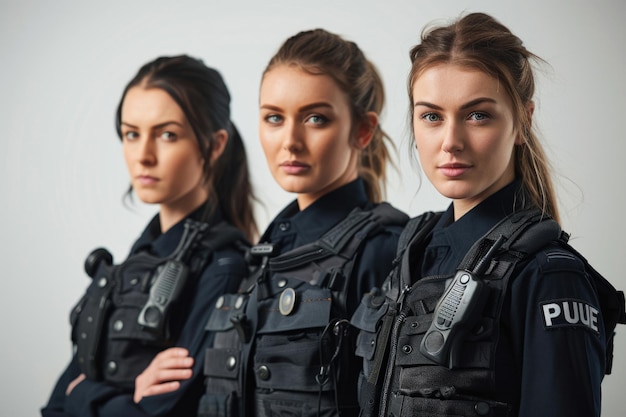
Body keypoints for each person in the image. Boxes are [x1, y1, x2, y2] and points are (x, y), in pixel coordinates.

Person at [351, 12, 623, 417]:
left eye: (478, 115)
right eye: (431, 116)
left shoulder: (549, 276)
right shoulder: (411, 252)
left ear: (522, 123)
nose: (451, 142)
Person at [139, 29, 409, 417]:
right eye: (274, 118)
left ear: (363, 130)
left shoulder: (383, 249)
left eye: (315, 118)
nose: (290, 141)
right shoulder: (263, 252)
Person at [41, 55, 257, 417]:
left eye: (167, 134)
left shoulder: (224, 267)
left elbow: (158, 412)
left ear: (216, 144)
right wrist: (124, 392)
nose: (143, 155)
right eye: (131, 134)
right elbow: (53, 407)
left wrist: (85, 395)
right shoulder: (132, 261)